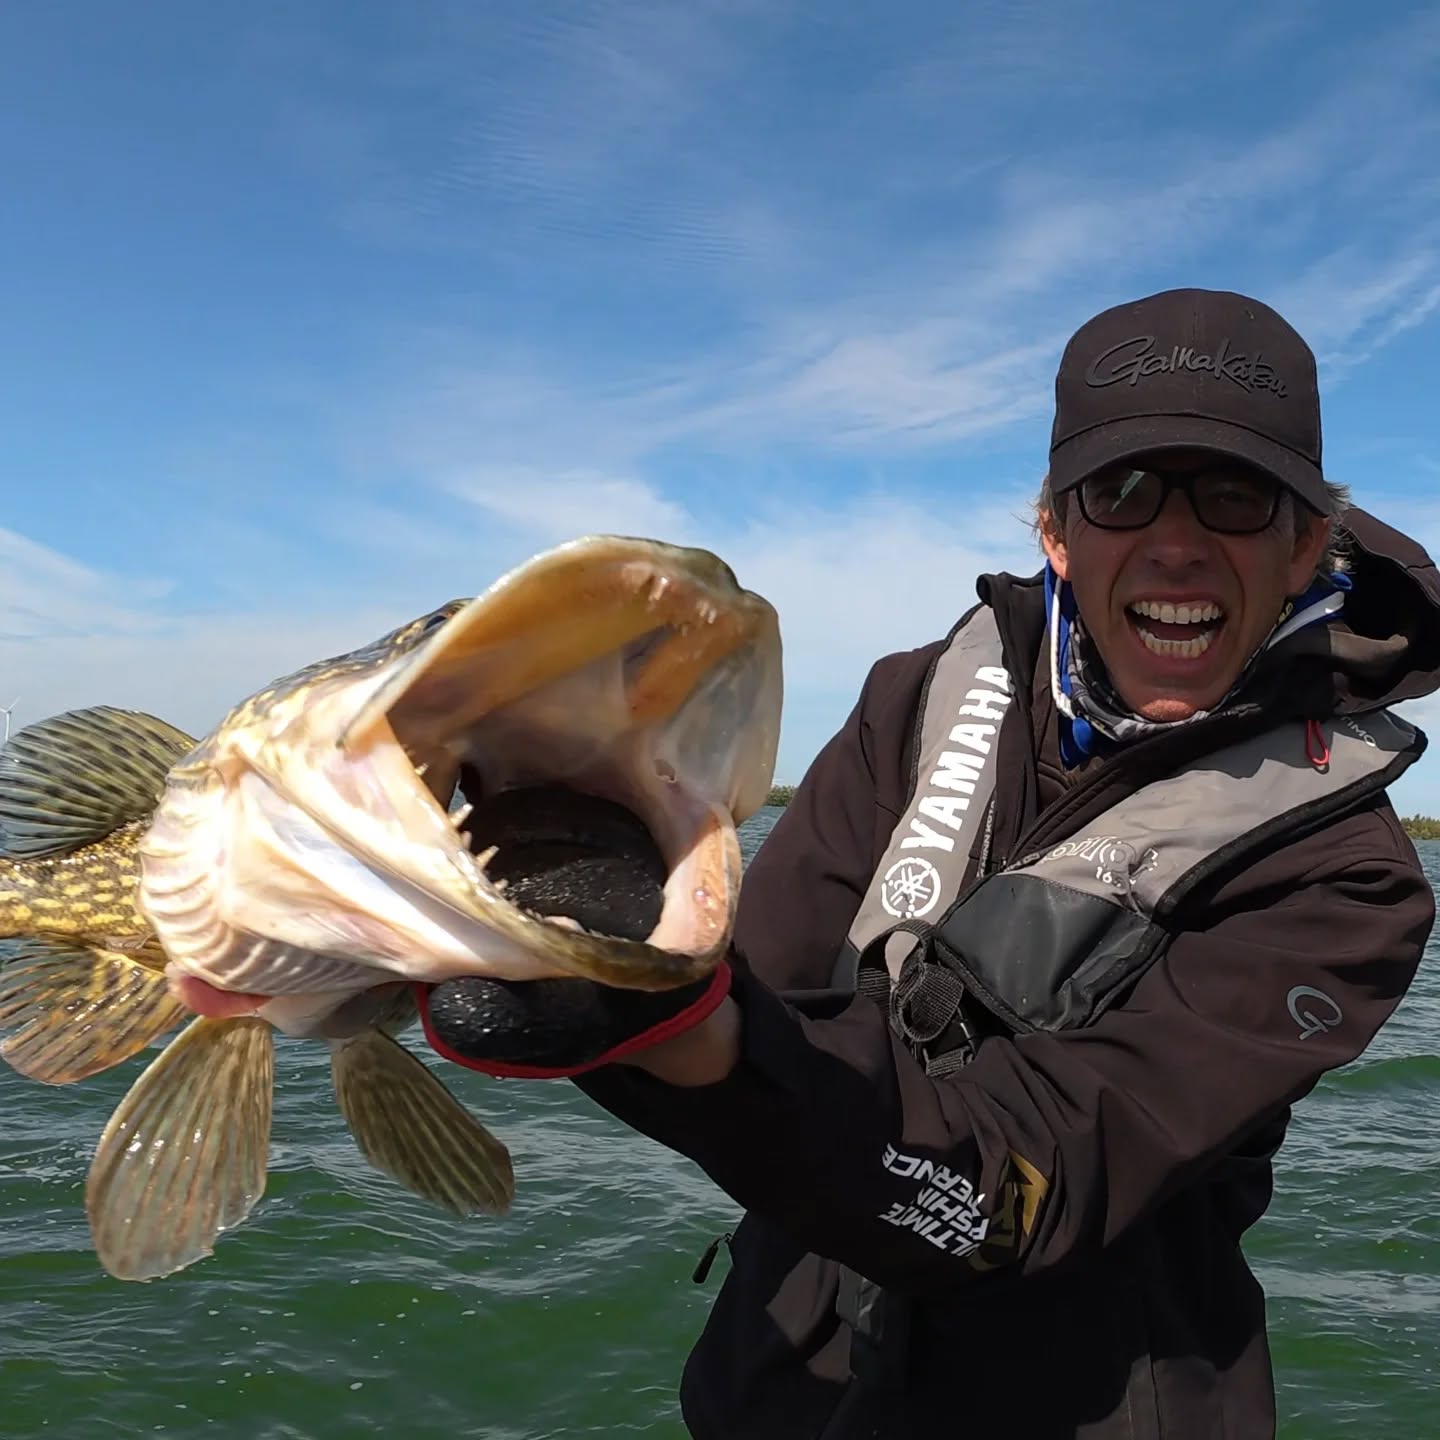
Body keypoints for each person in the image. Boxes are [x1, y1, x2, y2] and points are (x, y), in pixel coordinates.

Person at [418, 288, 1440, 1439]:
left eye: (1237, 496)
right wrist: (576, 903)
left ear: (1309, 543)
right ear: (1056, 530)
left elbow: (1037, 1178)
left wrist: (703, 1042)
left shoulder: (1346, 881)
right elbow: (760, 978)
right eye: (1122, 491)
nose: (1175, 539)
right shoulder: (915, 697)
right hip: (782, 1389)